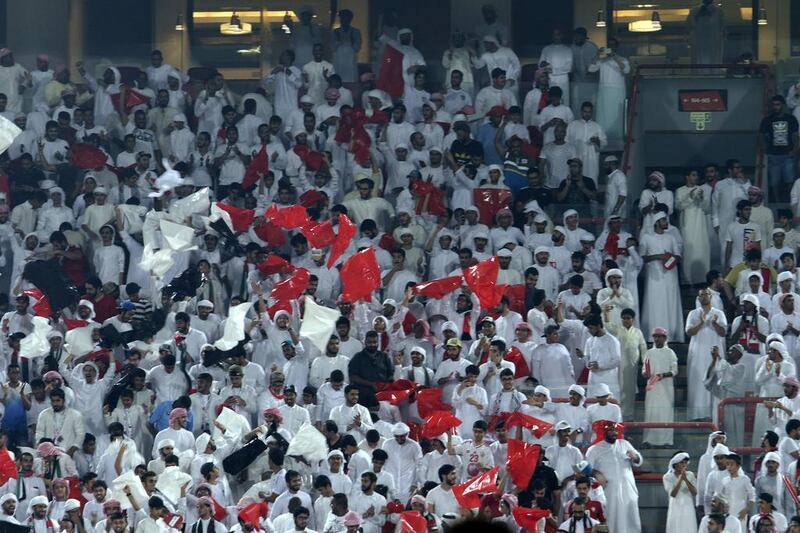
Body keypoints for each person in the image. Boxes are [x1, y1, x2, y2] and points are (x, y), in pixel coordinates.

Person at [585, 420, 643, 532]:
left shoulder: (624, 444)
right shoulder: (594, 449)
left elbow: (639, 461)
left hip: (627, 489)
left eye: (616, 430)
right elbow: (585, 468)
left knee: (630, 517)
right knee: (610, 517)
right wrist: (596, 473)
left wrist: (635, 457)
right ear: (604, 432)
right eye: (611, 430)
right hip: (607, 491)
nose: (614, 432)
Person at [640, 212, 684, 342]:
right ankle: (652, 334)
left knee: (670, 302)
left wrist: (670, 259)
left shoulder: (671, 237)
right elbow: (642, 257)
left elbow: (678, 256)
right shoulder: (647, 237)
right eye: (664, 220)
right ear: (656, 222)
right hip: (654, 276)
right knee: (655, 303)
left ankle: (672, 334)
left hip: (670, 275)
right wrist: (659, 256)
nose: (666, 222)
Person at [686, 288, 728, 421]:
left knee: (714, 379)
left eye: (707, 294)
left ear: (711, 297)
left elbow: (723, 332)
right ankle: (697, 415)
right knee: (697, 381)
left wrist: (714, 323)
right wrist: (702, 323)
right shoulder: (693, 313)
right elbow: (689, 332)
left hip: (714, 352)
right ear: (698, 298)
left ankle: (714, 414)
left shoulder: (719, 313)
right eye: (702, 295)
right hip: (698, 352)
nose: (704, 297)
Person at [587, 37, 630, 149]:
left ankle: (619, 145)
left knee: (617, 116)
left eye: (613, 45)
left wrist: (614, 56)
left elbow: (626, 70)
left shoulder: (623, 59)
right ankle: (603, 143)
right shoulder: (602, 61)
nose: (610, 47)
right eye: (609, 45)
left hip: (617, 93)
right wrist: (597, 54)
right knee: (603, 116)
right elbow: (591, 69)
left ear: (616, 47)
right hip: (604, 93)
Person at [641, 328, 678, 448]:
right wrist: (645, 374)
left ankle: (667, 441)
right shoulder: (649, 353)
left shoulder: (670, 352)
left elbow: (674, 370)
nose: (657, 339)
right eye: (655, 336)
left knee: (665, 413)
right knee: (650, 413)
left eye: (659, 336)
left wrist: (663, 375)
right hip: (652, 388)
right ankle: (648, 440)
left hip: (666, 388)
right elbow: (644, 370)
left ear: (665, 338)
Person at [760, 95, 800, 202]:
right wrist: (764, 150)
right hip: (773, 155)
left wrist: (794, 150)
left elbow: (795, 136)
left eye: (777, 105)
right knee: (774, 182)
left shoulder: (791, 119)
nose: (775, 107)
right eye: (773, 105)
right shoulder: (767, 120)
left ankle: (790, 201)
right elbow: (761, 136)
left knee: (790, 180)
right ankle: (777, 202)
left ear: (782, 105)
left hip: (788, 154)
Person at [676, 168, 711, 285]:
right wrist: (690, 197)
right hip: (687, 225)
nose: (696, 177)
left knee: (701, 249)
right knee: (688, 250)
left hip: (700, 224)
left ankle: (702, 279)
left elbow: (706, 207)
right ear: (687, 176)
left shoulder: (702, 189)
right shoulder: (680, 190)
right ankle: (687, 280)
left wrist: (701, 199)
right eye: (693, 175)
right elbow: (679, 206)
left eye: (697, 175)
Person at [662, 452, 698, 533]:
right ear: (675, 464)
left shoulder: (690, 475)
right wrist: (681, 479)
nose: (684, 465)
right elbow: (673, 494)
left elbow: (694, 493)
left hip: (688, 508)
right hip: (675, 508)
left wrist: (685, 479)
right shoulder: (667, 477)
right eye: (681, 462)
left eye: (685, 463)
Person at [539, 28, 573, 105]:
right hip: (550, 79)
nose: (556, 37)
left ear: (562, 36)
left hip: (562, 80)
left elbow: (569, 67)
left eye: (558, 34)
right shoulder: (546, 49)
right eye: (554, 34)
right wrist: (543, 64)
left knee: (564, 101)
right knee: (550, 101)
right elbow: (540, 64)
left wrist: (554, 70)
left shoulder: (567, 50)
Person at [687, 0, 726, 65]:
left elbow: (723, 27)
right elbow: (689, 26)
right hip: (699, 44)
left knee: (712, 61)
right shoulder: (694, 11)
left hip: (713, 44)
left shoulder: (719, 12)